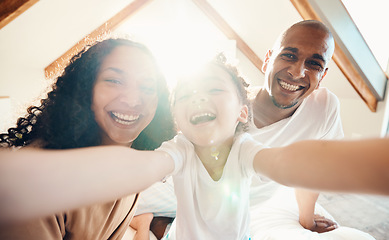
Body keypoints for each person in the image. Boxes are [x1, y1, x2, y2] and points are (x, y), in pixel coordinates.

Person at [1, 53, 389, 239]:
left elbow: (289, 161)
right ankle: (149, 225)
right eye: (186, 94)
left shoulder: (247, 149)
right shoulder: (179, 150)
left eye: (214, 90)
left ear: (241, 111)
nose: (198, 99)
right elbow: (140, 168)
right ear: (175, 116)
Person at [132, 19, 376, 240]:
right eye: (289, 56)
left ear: (322, 76)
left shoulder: (324, 108)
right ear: (267, 59)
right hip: (185, 187)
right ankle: (148, 223)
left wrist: (307, 219)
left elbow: (313, 168)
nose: (297, 72)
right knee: (129, 203)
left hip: (243, 203)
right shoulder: (228, 107)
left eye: (313, 64)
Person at [0, 38, 176, 240]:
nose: (133, 100)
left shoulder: (130, 171)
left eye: (147, 87)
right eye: (114, 81)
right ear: (85, 88)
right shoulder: (37, 180)